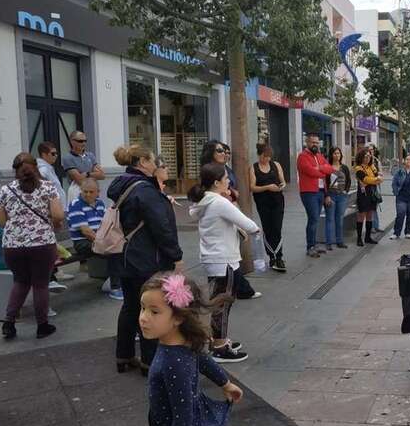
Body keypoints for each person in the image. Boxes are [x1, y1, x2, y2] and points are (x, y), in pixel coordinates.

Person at [108, 145, 183, 374]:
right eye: (153, 161)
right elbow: (161, 227)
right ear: (142, 162)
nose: (155, 165)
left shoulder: (122, 184)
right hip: (147, 259)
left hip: (125, 256)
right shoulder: (145, 190)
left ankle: (124, 355)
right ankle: (149, 361)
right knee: (152, 308)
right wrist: (176, 256)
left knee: (130, 306)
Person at [140, 273, 243, 426]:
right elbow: (202, 359)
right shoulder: (182, 342)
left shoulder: (173, 363)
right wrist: (225, 383)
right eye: (143, 308)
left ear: (178, 318)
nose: (143, 318)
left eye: (154, 312)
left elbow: (183, 416)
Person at [189, 163, 261, 363]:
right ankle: (219, 347)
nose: (229, 181)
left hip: (215, 257)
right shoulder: (219, 203)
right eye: (226, 178)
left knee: (220, 300)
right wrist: (255, 229)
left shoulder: (204, 201)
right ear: (216, 182)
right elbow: (248, 224)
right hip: (223, 259)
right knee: (222, 302)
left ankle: (217, 339)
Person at [0, 153, 64, 340]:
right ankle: (42, 326)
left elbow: (1, 222)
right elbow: (58, 215)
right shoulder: (48, 188)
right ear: (36, 167)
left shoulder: (5, 190)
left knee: (21, 281)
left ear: (15, 170)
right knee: (40, 284)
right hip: (42, 244)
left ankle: (9, 323)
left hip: (13, 245)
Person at [67, 178, 123, 300]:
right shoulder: (75, 205)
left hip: (98, 238)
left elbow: (106, 224)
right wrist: (105, 242)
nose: (87, 194)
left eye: (91, 192)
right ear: (81, 191)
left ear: (98, 192)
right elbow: (86, 231)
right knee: (114, 252)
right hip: (82, 242)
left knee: (122, 246)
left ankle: (117, 281)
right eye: (85, 191)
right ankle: (115, 288)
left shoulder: (100, 203)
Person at [37, 141, 73, 289]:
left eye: (56, 153)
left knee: (54, 241)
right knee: (51, 242)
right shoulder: (43, 170)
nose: (56, 156)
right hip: (51, 211)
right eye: (53, 153)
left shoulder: (48, 168)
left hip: (56, 208)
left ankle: (56, 270)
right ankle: (52, 273)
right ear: (44, 154)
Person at [250, 143, 287, 271]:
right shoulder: (254, 168)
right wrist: (267, 187)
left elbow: (282, 181)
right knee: (268, 228)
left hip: (277, 200)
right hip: (263, 202)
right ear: (259, 155)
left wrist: (281, 186)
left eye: (269, 157)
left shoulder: (276, 165)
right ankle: (272, 256)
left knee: (277, 228)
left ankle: (279, 257)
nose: (267, 159)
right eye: (265, 156)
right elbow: (252, 187)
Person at [297, 133, 334, 258]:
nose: (315, 145)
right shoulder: (302, 157)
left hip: (321, 191)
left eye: (317, 143)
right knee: (313, 218)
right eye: (313, 142)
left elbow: (330, 169)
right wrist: (321, 171)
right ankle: (310, 246)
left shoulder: (319, 155)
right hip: (309, 192)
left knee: (316, 219)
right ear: (307, 142)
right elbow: (310, 171)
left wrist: (320, 168)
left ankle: (314, 244)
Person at [62, 131, 104, 208]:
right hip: (77, 191)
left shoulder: (90, 155)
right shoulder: (68, 158)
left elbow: (102, 175)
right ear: (72, 141)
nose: (83, 143)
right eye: (80, 141)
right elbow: (79, 180)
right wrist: (93, 174)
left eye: (85, 141)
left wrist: (87, 174)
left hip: (93, 190)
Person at [324, 147, 352, 250]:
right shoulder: (327, 167)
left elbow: (348, 180)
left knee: (339, 219)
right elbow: (325, 183)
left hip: (342, 196)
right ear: (331, 155)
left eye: (338, 153)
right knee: (330, 219)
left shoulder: (344, 167)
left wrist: (346, 191)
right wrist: (326, 195)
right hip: (331, 195)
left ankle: (340, 241)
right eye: (335, 153)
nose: (337, 155)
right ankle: (329, 242)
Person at [354, 150, 383, 247]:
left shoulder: (372, 166)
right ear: (361, 157)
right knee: (361, 215)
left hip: (372, 194)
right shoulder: (358, 168)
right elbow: (365, 179)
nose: (368, 158)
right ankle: (359, 238)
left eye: (369, 156)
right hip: (363, 195)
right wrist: (375, 180)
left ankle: (368, 237)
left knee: (370, 215)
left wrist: (374, 180)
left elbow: (379, 176)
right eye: (365, 156)